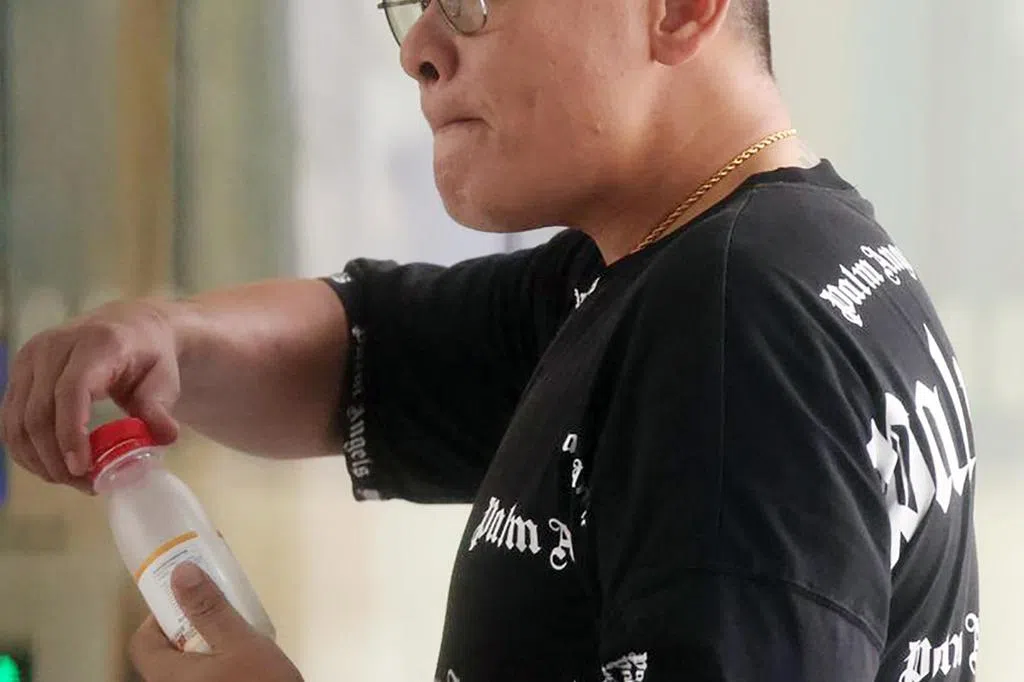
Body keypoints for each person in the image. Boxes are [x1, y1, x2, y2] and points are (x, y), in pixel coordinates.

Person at [0, 0, 980, 679]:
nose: (419, 49)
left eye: (470, 0)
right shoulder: (682, 265)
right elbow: (376, 351)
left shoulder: (732, 332)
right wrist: (163, 336)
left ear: (679, 10)